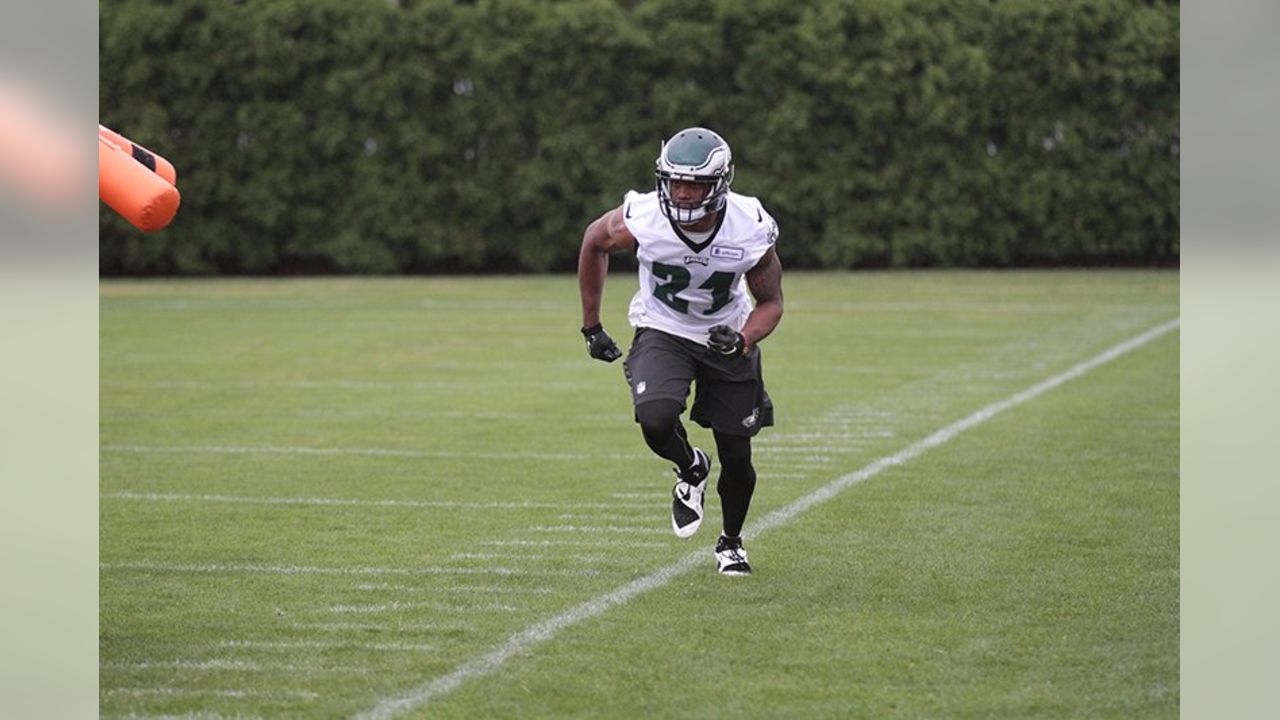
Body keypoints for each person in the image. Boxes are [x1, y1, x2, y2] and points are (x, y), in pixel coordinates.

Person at [576, 126, 784, 576]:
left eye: (695, 184)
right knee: (654, 417)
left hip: (725, 335)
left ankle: (731, 542)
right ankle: (691, 467)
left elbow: (771, 303)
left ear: (720, 184)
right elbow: (594, 241)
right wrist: (591, 325)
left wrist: (744, 338)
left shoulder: (748, 224)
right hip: (663, 329)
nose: (683, 193)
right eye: (675, 182)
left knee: (737, 455)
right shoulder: (644, 217)